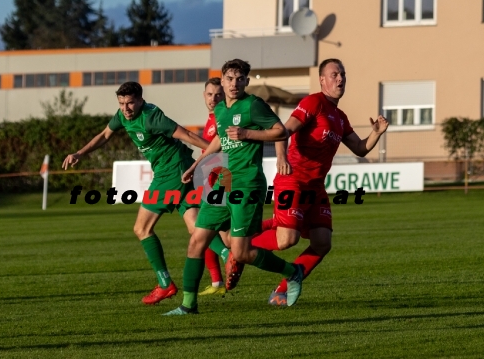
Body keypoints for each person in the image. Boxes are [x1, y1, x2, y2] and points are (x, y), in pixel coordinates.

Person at [164, 59, 304, 315]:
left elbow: (280, 132)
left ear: (247, 82)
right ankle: (188, 305)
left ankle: (292, 272)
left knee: (241, 253)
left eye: (240, 79)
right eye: (230, 78)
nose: (234, 84)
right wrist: (198, 164)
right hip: (223, 180)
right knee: (197, 240)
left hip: (247, 183)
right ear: (223, 80)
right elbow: (219, 138)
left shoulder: (253, 105)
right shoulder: (220, 110)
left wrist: (248, 134)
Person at [250, 58, 390, 306]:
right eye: (334, 74)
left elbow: (359, 149)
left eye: (343, 74)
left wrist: (376, 133)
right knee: (286, 240)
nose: (340, 79)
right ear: (322, 80)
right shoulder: (313, 102)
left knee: (322, 242)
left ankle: (282, 289)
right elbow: (282, 130)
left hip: (315, 187)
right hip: (293, 178)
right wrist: (281, 156)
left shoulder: (340, 116)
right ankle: (239, 248)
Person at [62, 81, 212, 305]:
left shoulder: (152, 117)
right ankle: (231, 255)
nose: (126, 108)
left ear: (141, 100)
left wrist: (215, 151)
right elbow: (104, 135)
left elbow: (186, 134)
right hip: (174, 170)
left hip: (171, 173)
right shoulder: (122, 116)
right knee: (195, 227)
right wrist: (80, 153)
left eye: (130, 103)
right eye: (122, 103)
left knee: (142, 228)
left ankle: (165, 284)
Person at [197, 77, 231, 296]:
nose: (213, 98)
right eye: (210, 94)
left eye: (218, 94)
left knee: (205, 231)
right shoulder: (212, 118)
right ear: (204, 95)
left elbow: (221, 150)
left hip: (220, 179)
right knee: (214, 232)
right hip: (210, 178)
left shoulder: (222, 118)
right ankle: (217, 282)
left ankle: (229, 257)